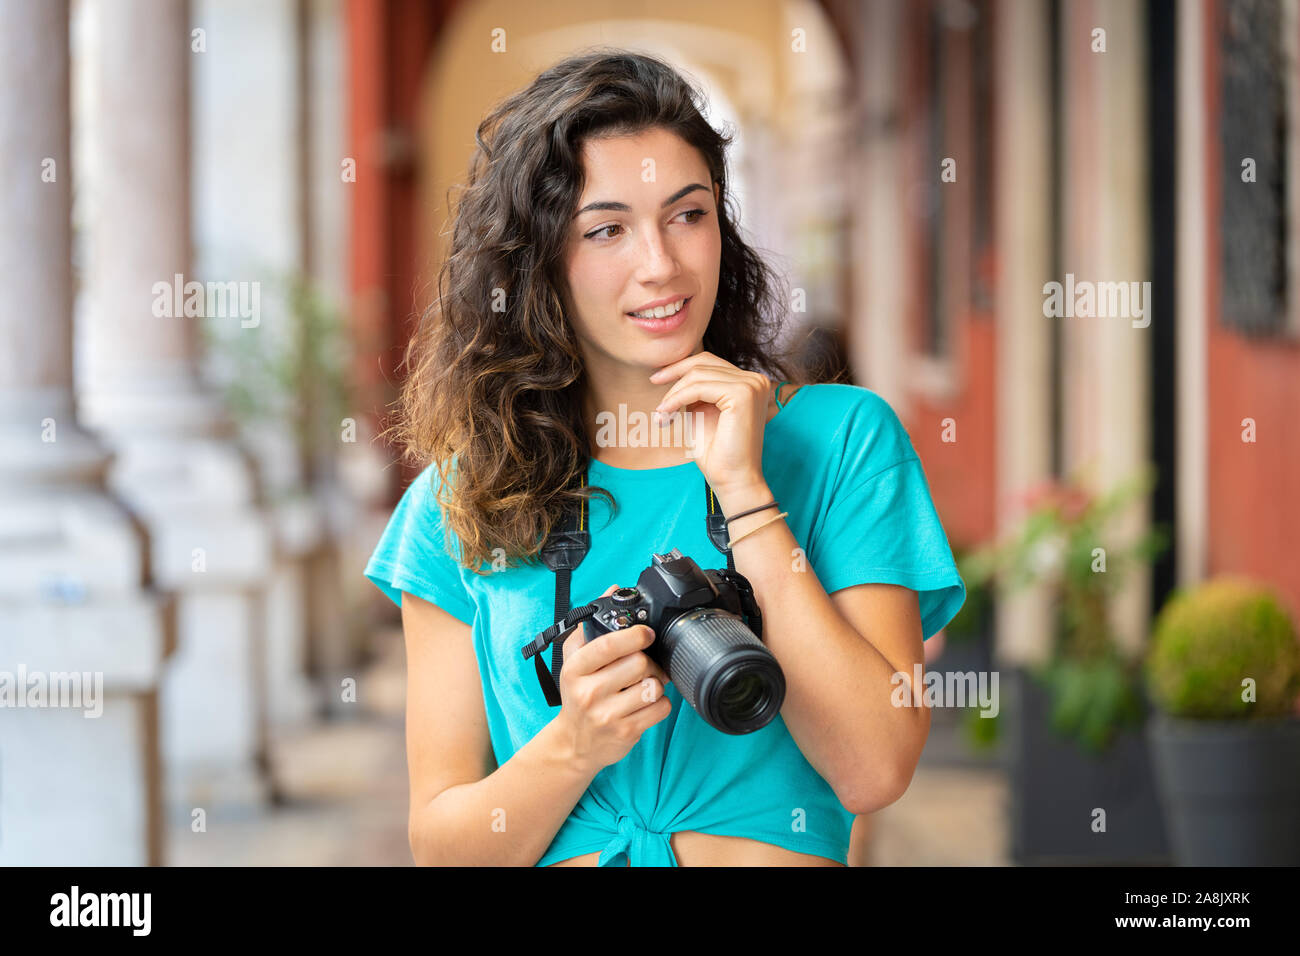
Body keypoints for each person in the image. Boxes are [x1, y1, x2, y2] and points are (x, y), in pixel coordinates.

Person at [364, 48, 966, 867]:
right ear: (541, 260)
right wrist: (573, 743)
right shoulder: (464, 497)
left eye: (688, 214)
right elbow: (442, 848)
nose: (662, 264)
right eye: (607, 229)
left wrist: (747, 496)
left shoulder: (841, 440)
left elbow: (875, 768)